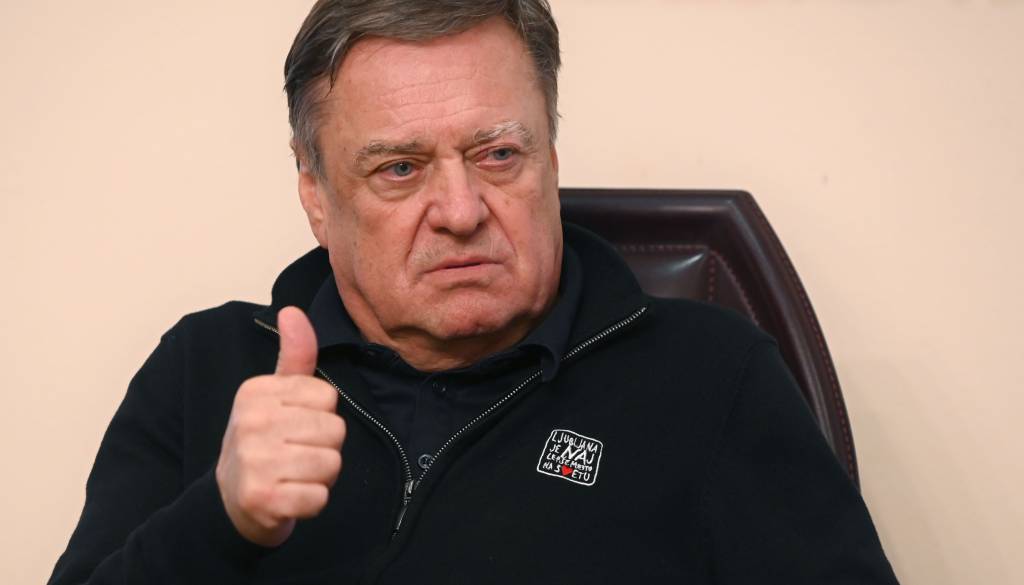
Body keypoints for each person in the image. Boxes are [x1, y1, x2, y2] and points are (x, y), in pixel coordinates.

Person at [49, 1, 899, 583]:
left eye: (498, 155)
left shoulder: (713, 376)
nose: (461, 212)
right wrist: (218, 522)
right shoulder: (206, 369)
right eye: (400, 168)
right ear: (316, 196)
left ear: (550, 159)